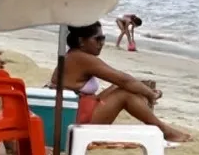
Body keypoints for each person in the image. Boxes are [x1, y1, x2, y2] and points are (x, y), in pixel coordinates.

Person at [54, 22, 191, 142]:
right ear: (81, 41)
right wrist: (151, 94)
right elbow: (124, 79)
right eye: (98, 39)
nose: (102, 43)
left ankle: (161, 127)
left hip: (73, 112)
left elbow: (121, 81)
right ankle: (164, 131)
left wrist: (144, 89)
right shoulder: (81, 58)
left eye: (104, 38)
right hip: (74, 120)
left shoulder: (74, 55)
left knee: (124, 87)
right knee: (125, 93)